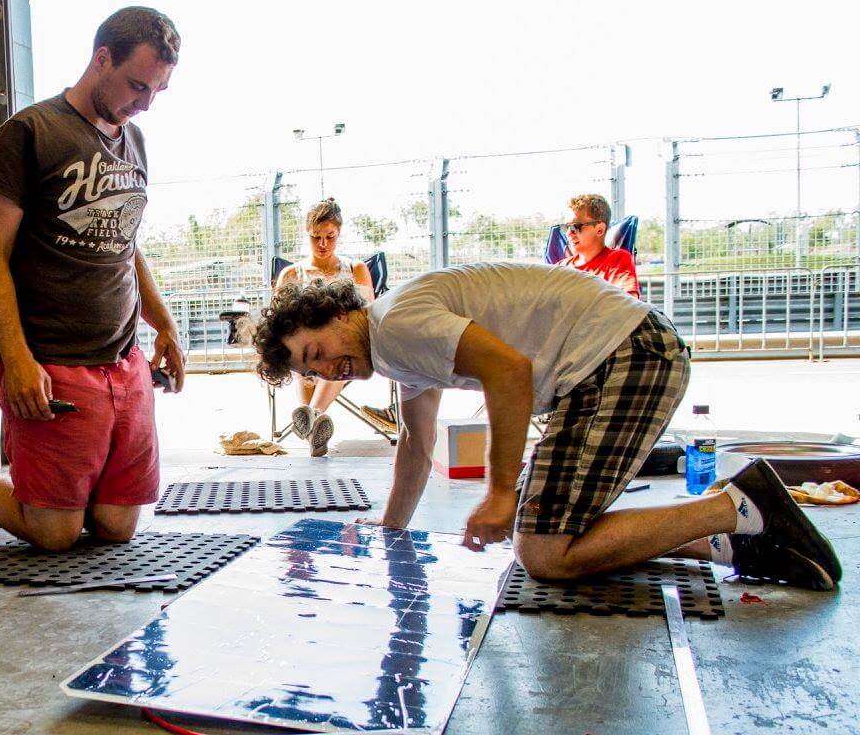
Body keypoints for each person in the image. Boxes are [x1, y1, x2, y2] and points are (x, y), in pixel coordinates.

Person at [249, 263, 842, 589]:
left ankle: (736, 506)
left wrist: (501, 491)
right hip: (614, 361)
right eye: (313, 369)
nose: (327, 370)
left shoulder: (397, 323)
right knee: (547, 531)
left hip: (625, 355)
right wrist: (389, 531)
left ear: (335, 312)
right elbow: (415, 443)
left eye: (317, 350)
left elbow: (510, 373)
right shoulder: (395, 346)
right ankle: (722, 538)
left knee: (543, 552)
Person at [0, 7, 186, 552]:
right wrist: (16, 359)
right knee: (54, 533)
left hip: (121, 358)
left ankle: (65, 486)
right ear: (102, 58)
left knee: (117, 527)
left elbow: (124, 241)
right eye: (138, 85)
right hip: (52, 359)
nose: (146, 103)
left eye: (158, 90)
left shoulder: (133, 141)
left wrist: (162, 323)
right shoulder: (28, 134)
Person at [276, 198, 376, 456]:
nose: (323, 244)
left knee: (339, 358)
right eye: (315, 237)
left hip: (344, 344)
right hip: (306, 348)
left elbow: (368, 316)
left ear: (339, 233)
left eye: (330, 237)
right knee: (304, 354)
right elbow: (277, 321)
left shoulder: (356, 269)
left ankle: (310, 415)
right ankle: (315, 423)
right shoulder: (290, 274)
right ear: (306, 235)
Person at [556, 193, 639, 297]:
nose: (568, 233)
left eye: (575, 227)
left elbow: (628, 305)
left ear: (600, 230)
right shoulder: (560, 267)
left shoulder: (617, 261)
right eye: (565, 227)